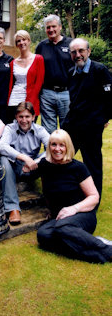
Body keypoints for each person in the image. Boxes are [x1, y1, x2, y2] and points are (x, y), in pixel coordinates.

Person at [35, 129, 112, 263]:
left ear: (67, 147)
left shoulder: (78, 168)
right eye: (53, 144)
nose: (57, 149)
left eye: (61, 145)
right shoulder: (44, 166)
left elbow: (94, 197)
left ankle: (106, 249)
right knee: (43, 235)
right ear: (49, 146)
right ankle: (96, 255)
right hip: (60, 217)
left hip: (82, 214)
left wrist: (73, 209)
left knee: (62, 228)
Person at [63, 38, 112, 197]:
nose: (78, 55)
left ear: (88, 51)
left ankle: (93, 198)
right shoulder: (71, 73)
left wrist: (104, 118)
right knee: (63, 158)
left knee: (92, 163)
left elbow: (110, 98)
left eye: (81, 51)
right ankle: (65, 192)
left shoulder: (100, 70)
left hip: (92, 126)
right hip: (73, 124)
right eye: (74, 52)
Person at [0, 102, 50, 224]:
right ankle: (12, 208)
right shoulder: (9, 128)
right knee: (4, 159)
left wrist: (34, 161)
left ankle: (52, 205)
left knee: (51, 160)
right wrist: (23, 158)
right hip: (14, 166)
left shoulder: (40, 130)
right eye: (21, 117)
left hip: (33, 167)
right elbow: (2, 146)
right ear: (16, 117)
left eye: (27, 116)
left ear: (33, 117)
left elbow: (51, 147)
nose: (24, 120)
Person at [36, 15, 72, 133]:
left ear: (60, 27)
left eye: (53, 26)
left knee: (67, 129)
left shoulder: (71, 44)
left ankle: (66, 152)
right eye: (48, 27)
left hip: (66, 93)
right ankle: (49, 152)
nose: (51, 30)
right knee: (48, 131)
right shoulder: (41, 46)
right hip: (47, 94)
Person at [7, 30, 44, 123]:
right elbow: (11, 84)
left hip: (30, 100)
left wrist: (29, 103)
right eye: (18, 41)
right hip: (14, 100)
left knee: (29, 128)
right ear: (16, 44)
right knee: (14, 129)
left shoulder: (38, 59)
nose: (21, 43)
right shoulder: (13, 63)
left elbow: (39, 83)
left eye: (24, 39)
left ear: (29, 41)